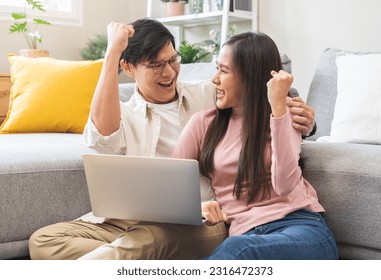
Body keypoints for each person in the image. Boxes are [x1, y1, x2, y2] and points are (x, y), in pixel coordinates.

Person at [29, 19, 317, 260]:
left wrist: (301, 118)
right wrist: (112, 53)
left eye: (173, 60)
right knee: (42, 241)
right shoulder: (122, 114)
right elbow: (102, 141)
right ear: (127, 68)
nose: (168, 72)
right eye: (155, 65)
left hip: (198, 218)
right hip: (132, 221)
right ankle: (143, 262)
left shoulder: (207, 96)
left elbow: (259, 87)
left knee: (150, 239)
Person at [171, 31, 338, 259]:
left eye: (224, 71)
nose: (215, 79)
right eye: (216, 69)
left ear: (249, 76)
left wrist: (278, 108)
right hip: (245, 236)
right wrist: (198, 206)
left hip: (301, 229)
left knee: (238, 249)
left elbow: (285, 185)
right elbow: (170, 186)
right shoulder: (204, 123)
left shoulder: (286, 115)